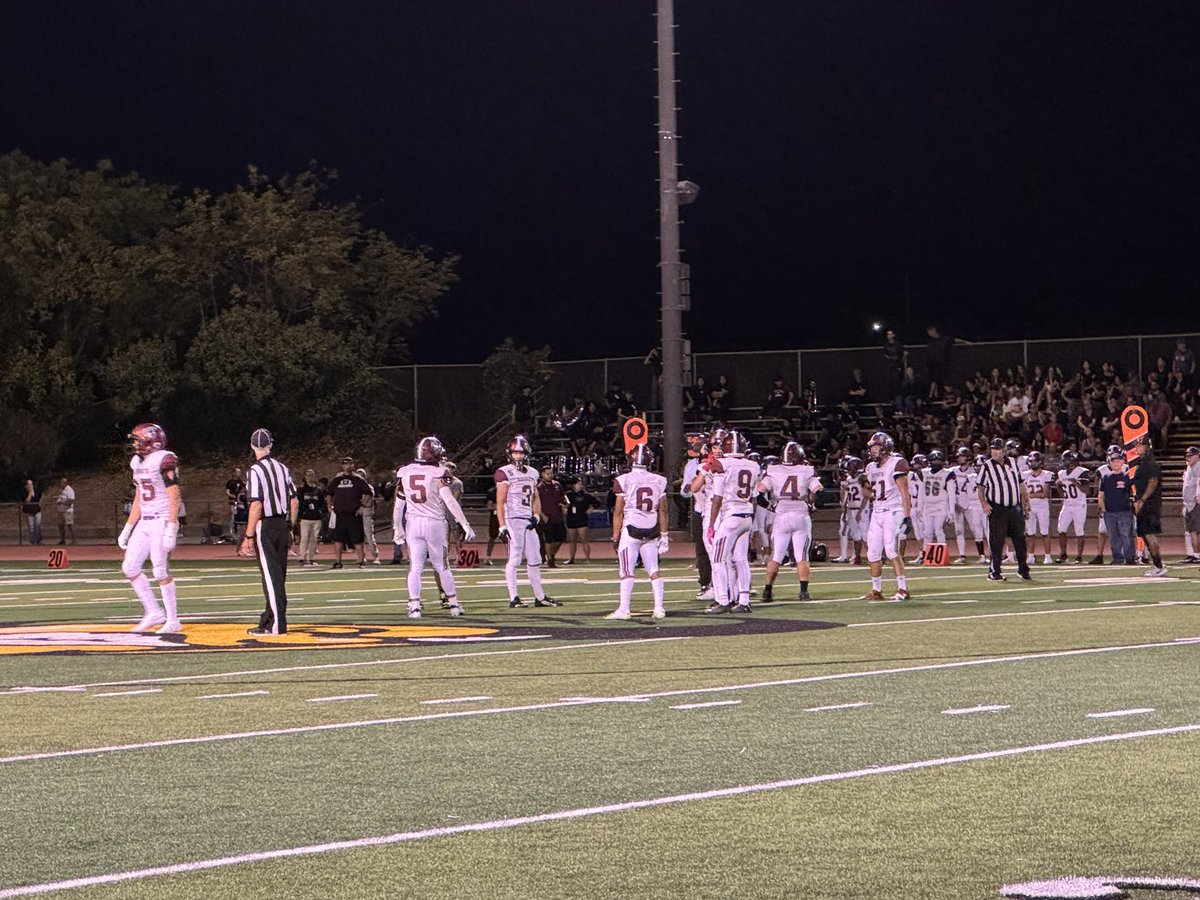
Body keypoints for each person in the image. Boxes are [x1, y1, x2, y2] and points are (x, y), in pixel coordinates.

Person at [393, 436, 476, 619]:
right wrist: (465, 523)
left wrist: (397, 527)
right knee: (442, 566)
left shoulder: (405, 471)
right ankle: (453, 604)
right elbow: (449, 500)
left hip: (413, 523)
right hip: (434, 523)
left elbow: (398, 504)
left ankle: (415, 606)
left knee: (415, 567)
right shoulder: (439, 472)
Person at [117, 423, 182, 633]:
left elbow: (174, 495)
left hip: (161, 519)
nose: (135, 444)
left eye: (138, 440)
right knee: (130, 567)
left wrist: (172, 526)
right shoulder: (137, 462)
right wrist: (128, 527)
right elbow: (139, 496)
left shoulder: (164, 459)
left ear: (151, 442)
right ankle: (154, 612)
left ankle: (173, 620)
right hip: (145, 520)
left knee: (160, 570)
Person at [239, 428, 298, 635]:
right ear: (270, 444)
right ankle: (268, 619)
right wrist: (291, 526)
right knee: (278, 576)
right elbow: (294, 500)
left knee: (271, 577)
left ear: (253, 446)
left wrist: (248, 535)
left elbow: (256, 504)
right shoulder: (283, 468)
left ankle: (276, 624)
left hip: (266, 525)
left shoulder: (255, 471)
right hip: (282, 523)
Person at [494, 435, 561, 608]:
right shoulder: (504, 472)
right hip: (512, 519)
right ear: (510, 454)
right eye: (515, 453)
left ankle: (539, 597)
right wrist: (502, 525)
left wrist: (536, 515)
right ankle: (513, 597)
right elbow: (500, 501)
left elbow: (535, 496)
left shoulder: (532, 472)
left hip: (527, 519)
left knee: (535, 558)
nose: (519, 456)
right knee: (515, 558)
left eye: (521, 453)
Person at [605, 444, 669, 619]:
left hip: (631, 528)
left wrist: (615, 535)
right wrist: (664, 535)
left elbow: (618, 511)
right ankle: (659, 608)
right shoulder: (659, 480)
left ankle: (624, 610)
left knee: (626, 571)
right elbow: (663, 510)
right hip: (652, 529)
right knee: (654, 569)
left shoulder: (624, 479)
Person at [757, 442, 824, 601]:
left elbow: (759, 496)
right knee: (802, 556)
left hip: (781, 515)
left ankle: (767, 591)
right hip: (800, 514)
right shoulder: (807, 470)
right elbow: (819, 491)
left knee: (777, 556)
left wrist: (771, 507)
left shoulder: (773, 470)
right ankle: (803, 592)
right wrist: (812, 505)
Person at [704, 430, 759, 613]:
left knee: (718, 559)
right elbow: (754, 497)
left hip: (731, 516)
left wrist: (711, 524)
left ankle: (723, 600)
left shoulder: (722, 464)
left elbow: (717, 497)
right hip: (747, 516)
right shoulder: (753, 465)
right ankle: (744, 601)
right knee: (741, 560)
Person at [861, 432, 912, 600]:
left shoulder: (897, 463)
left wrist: (907, 516)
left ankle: (903, 589)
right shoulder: (870, 467)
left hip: (893, 510)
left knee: (891, 550)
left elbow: (905, 493)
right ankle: (876, 590)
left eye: (875, 447)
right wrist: (864, 487)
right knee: (873, 553)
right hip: (877, 511)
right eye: (872, 448)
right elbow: (870, 493)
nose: (873, 451)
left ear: (884, 447)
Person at [978, 437, 1031, 582]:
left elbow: (1020, 483)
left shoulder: (1013, 463)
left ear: (1004, 451)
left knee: (1020, 539)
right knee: (997, 541)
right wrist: (984, 503)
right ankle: (994, 571)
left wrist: (1026, 501)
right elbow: (980, 487)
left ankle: (1023, 568)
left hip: (1015, 507)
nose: (994, 452)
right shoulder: (987, 466)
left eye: (998, 449)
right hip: (997, 508)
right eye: (993, 449)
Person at [680, 435, 713, 598]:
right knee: (703, 550)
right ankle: (706, 583)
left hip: (720, 511)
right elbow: (685, 491)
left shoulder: (724, 464)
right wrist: (691, 485)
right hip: (703, 510)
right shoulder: (693, 466)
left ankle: (735, 585)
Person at [1128, 435, 1166, 576]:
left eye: (1139, 445)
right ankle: (1157, 565)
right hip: (1144, 503)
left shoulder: (1151, 464)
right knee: (1144, 533)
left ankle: (1158, 565)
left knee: (1149, 533)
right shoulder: (1143, 463)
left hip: (1149, 504)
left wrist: (1142, 500)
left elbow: (1152, 482)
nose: (1137, 448)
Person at [326, 457, 371, 568]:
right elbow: (329, 493)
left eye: (350, 464)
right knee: (338, 539)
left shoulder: (358, 479)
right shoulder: (337, 479)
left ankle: (361, 561)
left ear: (353, 465)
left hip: (353, 513)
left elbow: (368, 493)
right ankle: (338, 561)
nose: (347, 466)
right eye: (345, 464)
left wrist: (362, 506)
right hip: (340, 513)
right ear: (342, 466)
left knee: (357, 539)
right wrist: (329, 506)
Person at [1098, 454, 1135, 565]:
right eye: (1113, 461)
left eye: (1118, 461)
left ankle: (1129, 558)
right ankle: (1117, 558)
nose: (1116, 463)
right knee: (1113, 537)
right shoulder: (1105, 478)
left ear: (1122, 462)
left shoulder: (1127, 478)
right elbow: (1101, 495)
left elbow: (1132, 494)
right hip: (1110, 512)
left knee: (1126, 535)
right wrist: (1103, 509)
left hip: (1124, 510)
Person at [952, 448, 987, 564]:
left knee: (977, 530)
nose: (959, 458)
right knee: (959, 531)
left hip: (970, 504)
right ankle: (962, 556)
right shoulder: (953, 471)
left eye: (961, 456)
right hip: (957, 503)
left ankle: (984, 555)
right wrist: (954, 503)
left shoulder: (974, 471)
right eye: (959, 456)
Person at [1055, 450, 1090, 564]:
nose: (1064, 462)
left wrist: (1076, 483)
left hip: (1079, 504)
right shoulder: (1061, 473)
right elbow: (1063, 495)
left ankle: (1079, 556)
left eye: (1066, 460)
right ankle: (1063, 554)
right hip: (1067, 504)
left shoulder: (1081, 472)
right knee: (1061, 529)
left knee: (1079, 531)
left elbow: (1087, 490)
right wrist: (1058, 487)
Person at [833, 456, 869, 565]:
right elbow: (846, 496)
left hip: (862, 509)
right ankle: (857, 557)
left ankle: (874, 556)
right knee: (856, 535)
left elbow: (867, 496)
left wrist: (860, 511)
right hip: (851, 509)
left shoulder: (863, 478)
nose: (849, 470)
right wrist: (845, 510)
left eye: (851, 468)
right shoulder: (849, 480)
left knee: (866, 535)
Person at [919, 450, 956, 553]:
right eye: (934, 461)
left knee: (938, 529)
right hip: (928, 505)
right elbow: (921, 492)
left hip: (941, 504)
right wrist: (919, 507)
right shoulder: (924, 473)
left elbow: (951, 493)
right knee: (927, 532)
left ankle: (942, 553)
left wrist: (951, 511)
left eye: (938, 461)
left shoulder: (947, 474)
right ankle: (925, 554)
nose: (936, 463)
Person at [1022, 451, 1055, 564]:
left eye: (1034, 461)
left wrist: (1029, 495)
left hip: (1042, 506)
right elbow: (1022, 493)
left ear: (1040, 462)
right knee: (1030, 533)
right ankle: (1030, 556)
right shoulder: (1024, 474)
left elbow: (1044, 494)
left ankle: (1047, 556)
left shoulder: (1046, 474)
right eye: (1030, 461)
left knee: (1044, 532)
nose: (1032, 463)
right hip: (1030, 506)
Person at [536, 467, 567, 567]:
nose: (550, 475)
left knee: (560, 539)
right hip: (547, 516)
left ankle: (550, 555)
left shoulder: (557, 485)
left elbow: (563, 497)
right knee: (549, 539)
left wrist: (564, 505)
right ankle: (550, 560)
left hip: (558, 515)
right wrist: (542, 514)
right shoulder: (539, 487)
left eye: (551, 473)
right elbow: (535, 502)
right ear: (542, 474)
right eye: (547, 474)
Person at [564, 477, 598, 564]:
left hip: (582, 519)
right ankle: (571, 558)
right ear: (574, 485)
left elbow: (597, 502)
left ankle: (587, 558)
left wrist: (591, 508)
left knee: (584, 540)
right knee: (572, 541)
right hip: (571, 519)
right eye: (578, 484)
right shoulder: (568, 495)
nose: (580, 486)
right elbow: (563, 503)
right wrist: (564, 508)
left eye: (581, 484)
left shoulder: (585, 496)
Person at [295, 469, 325, 566]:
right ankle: (302, 557)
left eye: (312, 475)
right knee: (304, 538)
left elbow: (322, 503)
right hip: (305, 517)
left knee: (314, 538)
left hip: (316, 517)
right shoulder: (301, 490)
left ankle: (311, 558)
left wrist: (320, 511)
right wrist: (300, 514)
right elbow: (298, 503)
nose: (310, 477)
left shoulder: (318, 490)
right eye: (308, 475)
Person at [356, 468, 381, 565]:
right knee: (358, 536)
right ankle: (362, 557)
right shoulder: (355, 487)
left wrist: (362, 505)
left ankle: (375, 556)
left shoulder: (368, 487)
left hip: (366, 511)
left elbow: (369, 498)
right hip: (357, 512)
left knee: (369, 535)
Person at [1182, 446, 1200, 564]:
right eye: (1187, 455)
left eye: (1191, 455)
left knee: (1197, 530)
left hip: (1196, 503)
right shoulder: (1189, 468)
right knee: (1190, 531)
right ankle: (1193, 554)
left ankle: (1198, 555)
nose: (1188, 458)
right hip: (1188, 503)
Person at [52, 476, 75, 545]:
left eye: (62, 482)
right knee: (60, 525)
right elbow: (61, 497)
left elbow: (71, 500)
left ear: (65, 483)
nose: (61, 484)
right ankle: (62, 540)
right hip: (60, 510)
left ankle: (74, 539)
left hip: (67, 511)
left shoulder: (70, 490)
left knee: (70, 525)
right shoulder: (61, 490)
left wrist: (62, 502)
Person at [225, 466, 245, 539]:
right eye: (238, 472)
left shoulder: (241, 482)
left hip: (240, 502)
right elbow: (227, 492)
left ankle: (241, 532)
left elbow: (244, 489)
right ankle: (232, 531)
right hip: (233, 502)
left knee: (241, 516)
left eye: (240, 472)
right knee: (233, 516)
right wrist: (232, 495)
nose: (239, 473)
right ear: (234, 473)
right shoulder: (230, 482)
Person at [21, 479, 43, 545]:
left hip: (37, 511)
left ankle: (38, 540)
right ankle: (32, 541)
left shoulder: (37, 492)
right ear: (26, 486)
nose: (30, 486)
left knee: (38, 525)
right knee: (31, 527)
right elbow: (27, 501)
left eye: (31, 484)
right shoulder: (24, 493)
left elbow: (40, 497)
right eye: (29, 485)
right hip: (29, 512)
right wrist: (30, 493)